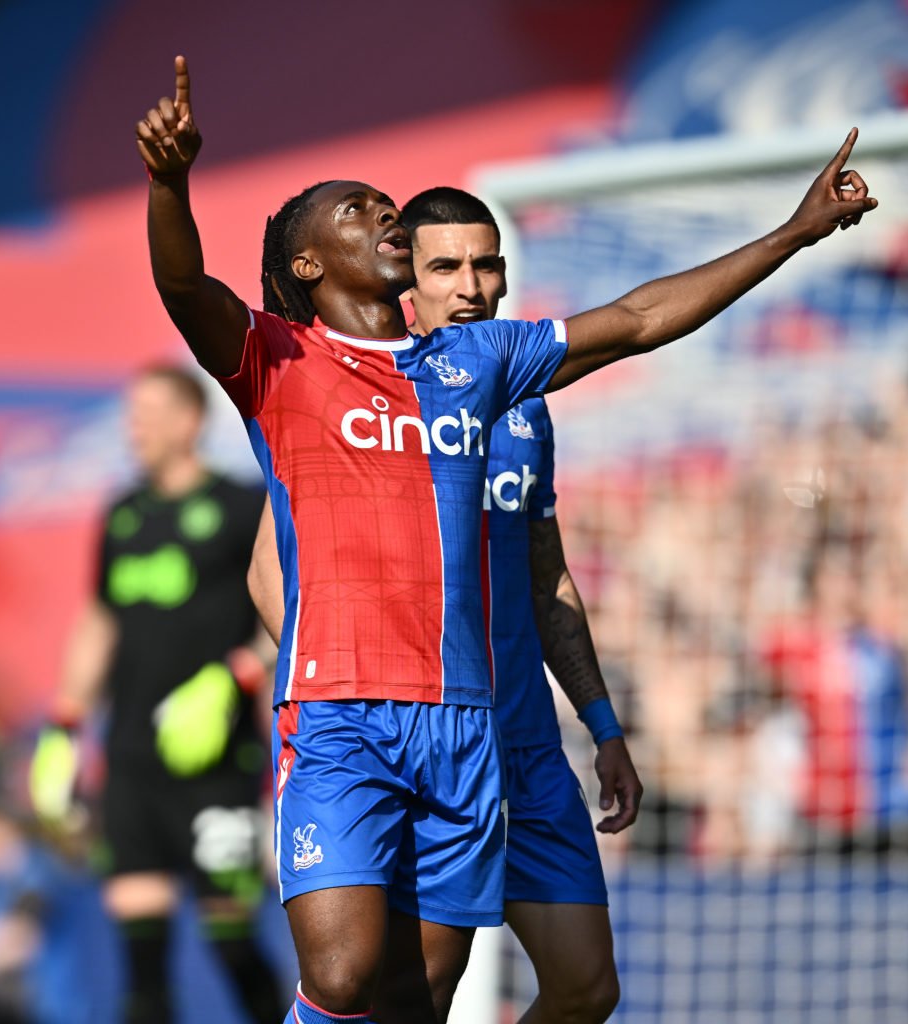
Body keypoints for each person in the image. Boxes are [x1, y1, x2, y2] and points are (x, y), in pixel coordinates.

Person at [136, 56, 874, 1024]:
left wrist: (794, 231)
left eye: (387, 204)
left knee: (418, 998)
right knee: (345, 977)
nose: (385, 215)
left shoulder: (476, 361)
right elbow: (184, 281)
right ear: (308, 264)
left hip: (466, 720)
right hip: (340, 712)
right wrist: (168, 180)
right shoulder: (278, 361)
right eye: (358, 209)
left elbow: (642, 318)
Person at [246, 186, 635, 1023]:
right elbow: (271, 573)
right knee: (393, 988)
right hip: (389, 722)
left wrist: (602, 726)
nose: (472, 286)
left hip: (515, 739)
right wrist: (348, 690)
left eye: (487, 265)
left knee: (585, 988)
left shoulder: (521, 402)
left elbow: (548, 580)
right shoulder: (351, 395)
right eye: (447, 267)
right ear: (406, 283)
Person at [31, 365, 282, 1023]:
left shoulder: (240, 506)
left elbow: (285, 614)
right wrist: (64, 726)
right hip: (134, 765)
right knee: (142, 969)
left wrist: (238, 677)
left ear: (190, 421)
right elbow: (100, 619)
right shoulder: (123, 513)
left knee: (234, 949)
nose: (133, 426)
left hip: (218, 766)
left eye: (148, 412)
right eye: (129, 413)